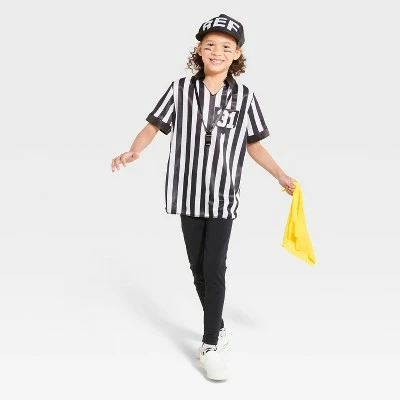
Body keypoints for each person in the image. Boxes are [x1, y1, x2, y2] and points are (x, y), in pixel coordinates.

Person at [111, 13, 296, 381]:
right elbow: (153, 126)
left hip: (223, 195)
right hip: (187, 193)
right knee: (198, 268)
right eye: (210, 45)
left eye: (226, 47)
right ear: (199, 49)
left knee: (214, 266)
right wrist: (134, 150)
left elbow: (254, 144)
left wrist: (280, 174)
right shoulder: (180, 90)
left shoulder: (244, 97)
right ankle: (219, 326)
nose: (217, 51)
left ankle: (210, 344)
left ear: (237, 54)